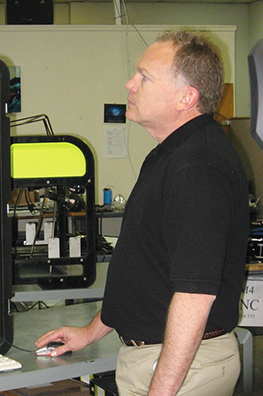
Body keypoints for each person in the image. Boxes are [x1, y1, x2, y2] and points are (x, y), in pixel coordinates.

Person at [36, 30, 249, 396]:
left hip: (184, 369)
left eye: (144, 77)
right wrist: (91, 332)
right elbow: (144, 268)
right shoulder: (172, 154)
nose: (129, 84)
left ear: (186, 97)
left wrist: (161, 390)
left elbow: (194, 297)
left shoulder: (199, 168)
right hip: (162, 359)